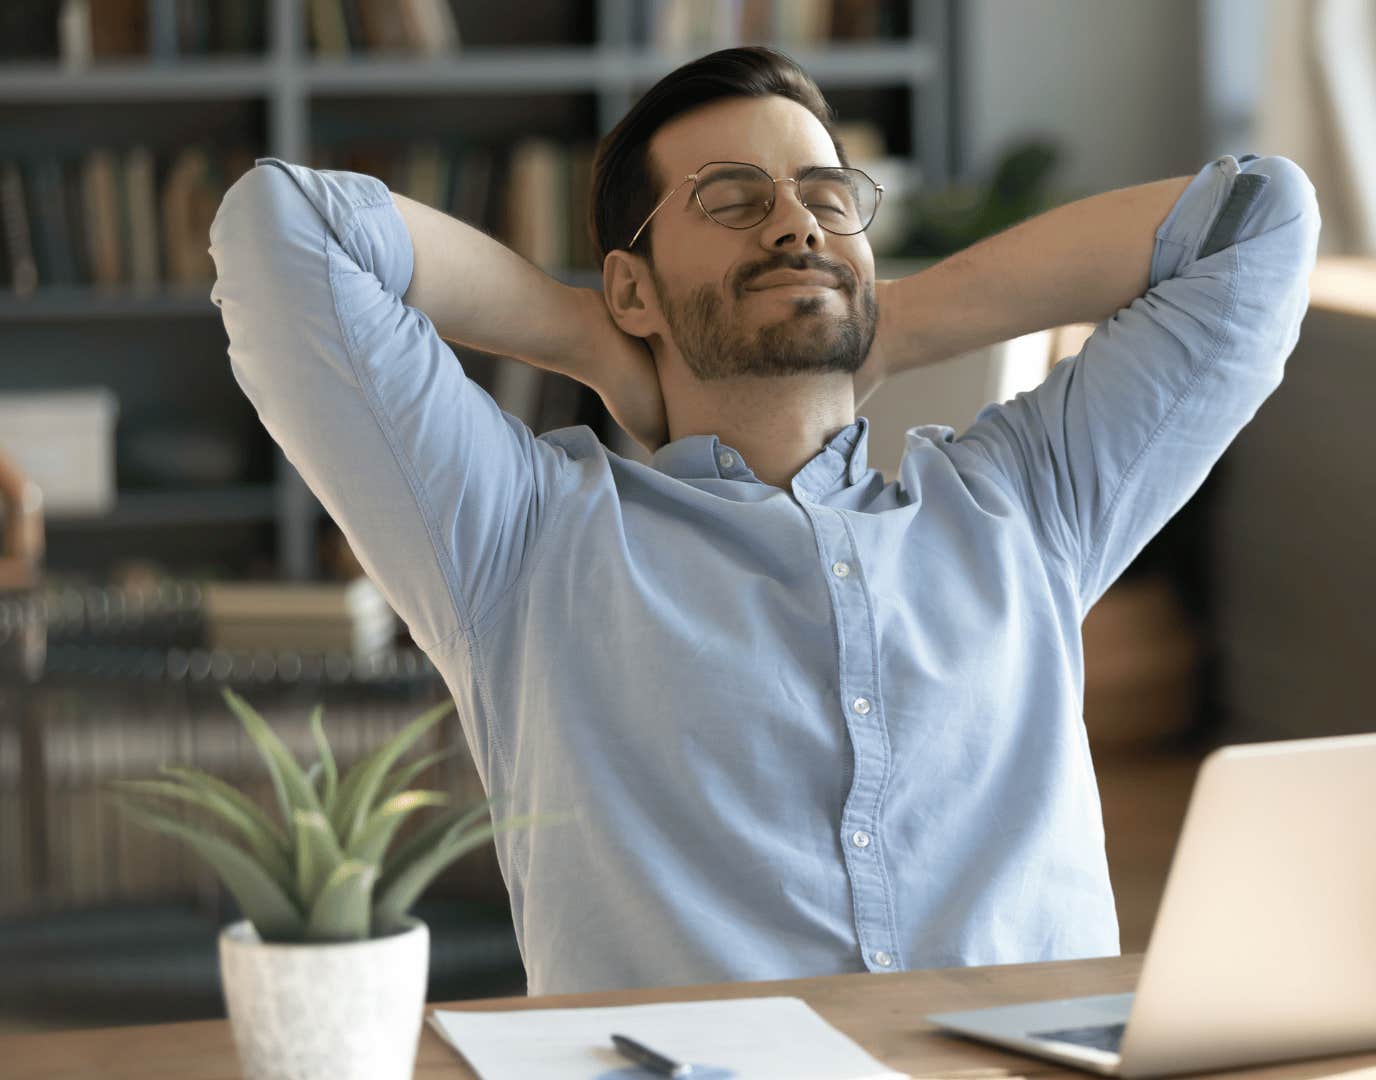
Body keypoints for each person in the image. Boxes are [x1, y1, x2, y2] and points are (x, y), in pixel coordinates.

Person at [208, 45, 1319, 995]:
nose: (795, 223)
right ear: (633, 287)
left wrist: (890, 325)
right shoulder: (522, 539)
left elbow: (1262, 221)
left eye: (830, 199)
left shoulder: (1022, 505)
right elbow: (282, 229)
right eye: (732, 200)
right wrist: (591, 339)